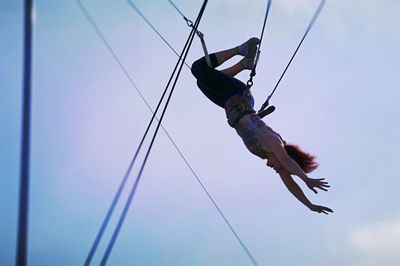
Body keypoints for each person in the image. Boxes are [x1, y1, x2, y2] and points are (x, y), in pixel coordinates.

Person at [191, 37, 333, 214]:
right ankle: (240, 49)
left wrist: (310, 205)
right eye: (278, 167)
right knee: (198, 69)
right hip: (237, 94)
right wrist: (306, 179)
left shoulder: (265, 153)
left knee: (202, 81)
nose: (272, 167)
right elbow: (287, 162)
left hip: (226, 101)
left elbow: (290, 184)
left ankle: (244, 64)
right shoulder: (272, 142)